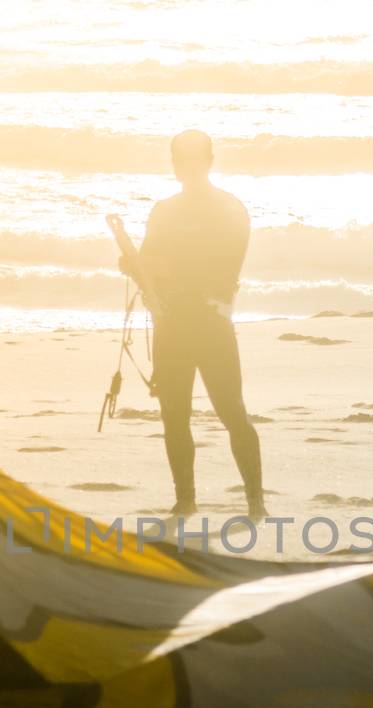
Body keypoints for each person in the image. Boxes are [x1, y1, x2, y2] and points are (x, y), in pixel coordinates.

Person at [121, 130, 265, 519]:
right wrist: (136, 267)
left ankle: (255, 501)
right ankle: (185, 500)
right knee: (174, 413)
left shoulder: (229, 208)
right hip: (170, 325)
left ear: (209, 161)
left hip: (211, 322)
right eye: (179, 159)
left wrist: (164, 268)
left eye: (194, 159)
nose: (187, 166)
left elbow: (223, 266)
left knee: (232, 410)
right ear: (173, 164)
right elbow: (149, 261)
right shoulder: (163, 210)